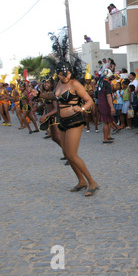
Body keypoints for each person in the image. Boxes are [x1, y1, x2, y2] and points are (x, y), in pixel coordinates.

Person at [54, 60, 98, 197]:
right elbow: (54, 97)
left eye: (67, 74)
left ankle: (92, 182)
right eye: (62, 74)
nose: (65, 77)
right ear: (58, 74)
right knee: (67, 154)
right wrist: (38, 95)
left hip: (74, 120)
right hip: (62, 121)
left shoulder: (75, 84)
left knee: (72, 154)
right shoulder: (59, 84)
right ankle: (81, 181)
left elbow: (89, 100)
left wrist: (83, 108)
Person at [97, 70, 116, 144]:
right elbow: (108, 96)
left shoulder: (100, 83)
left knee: (108, 121)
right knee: (106, 121)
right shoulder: (107, 84)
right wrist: (112, 107)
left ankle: (108, 136)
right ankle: (105, 138)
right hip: (106, 104)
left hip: (101, 104)